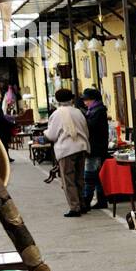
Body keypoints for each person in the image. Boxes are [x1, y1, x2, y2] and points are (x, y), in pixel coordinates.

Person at [44, 88, 89, 217]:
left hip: (66, 149)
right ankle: (83, 204)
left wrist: (44, 134)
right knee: (80, 178)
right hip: (81, 147)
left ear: (57, 100)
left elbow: (52, 135)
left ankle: (75, 208)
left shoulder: (57, 114)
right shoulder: (78, 112)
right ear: (72, 99)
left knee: (68, 180)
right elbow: (85, 130)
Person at [81, 87, 110, 210]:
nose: (85, 102)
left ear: (93, 100)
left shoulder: (97, 111)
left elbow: (92, 126)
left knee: (89, 175)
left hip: (95, 148)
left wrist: (83, 117)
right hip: (98, 147)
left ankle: (87, 200)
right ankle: (101, 200)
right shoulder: (96, 110)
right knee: (97, 175)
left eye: (87, 100)